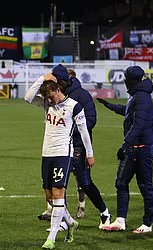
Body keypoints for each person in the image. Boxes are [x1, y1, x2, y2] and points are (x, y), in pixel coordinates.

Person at [37, 65, 111, 229]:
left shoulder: (82, 96)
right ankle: (63, 221)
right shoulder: (55, 95)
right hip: (60, 147)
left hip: (78, 145)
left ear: (61, 81)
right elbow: (29, 98)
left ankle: (104, 211)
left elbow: (91, 120)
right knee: (61, 184)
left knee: (84, 182)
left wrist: (69, 129)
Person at [25, 73, 90, 249]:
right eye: (48, 98)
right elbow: (28, 97)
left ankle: (51, 238)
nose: (51, 101)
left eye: (52, 97)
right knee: (49, 196)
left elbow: (84, 132)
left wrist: (89, 154)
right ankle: (70, 222)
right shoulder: (47, 103)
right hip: (47, 153)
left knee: (58, 193)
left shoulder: (74, 107)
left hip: (63, 153)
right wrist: (41, 78)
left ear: (58, 89)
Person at [96, 65, 153, 234]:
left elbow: (139, 124)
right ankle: (120, 220)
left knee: (145, 186)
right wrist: (109, 105)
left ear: (131, 81)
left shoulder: (142, 97)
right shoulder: (137, 95)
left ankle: (147, 224)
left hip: (142, 149)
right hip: (133, 148)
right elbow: (129, 113)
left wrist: (125, 144)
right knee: (121, 183)